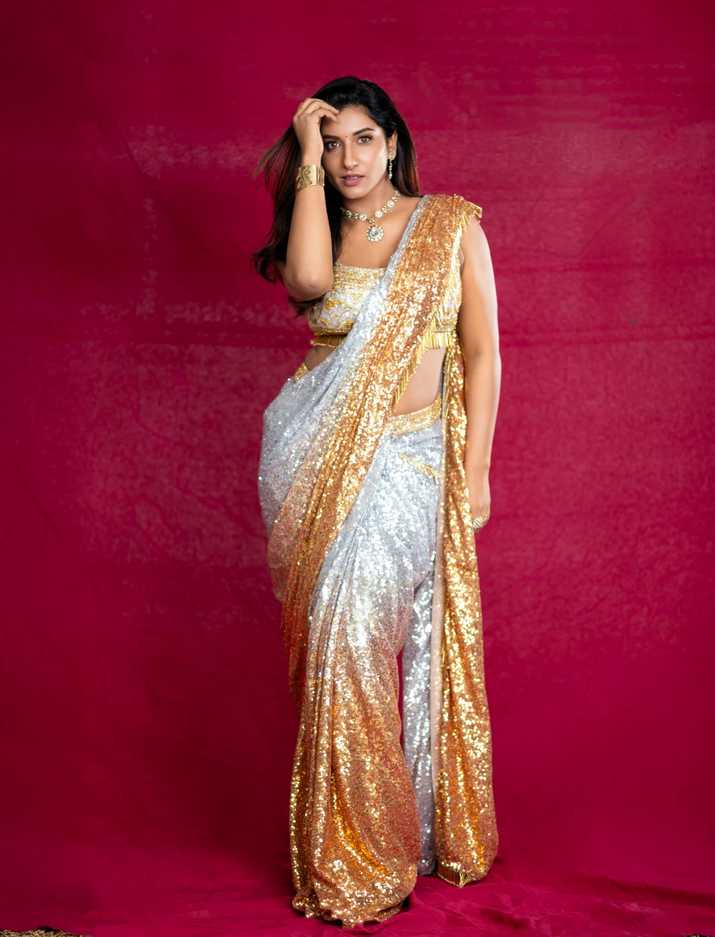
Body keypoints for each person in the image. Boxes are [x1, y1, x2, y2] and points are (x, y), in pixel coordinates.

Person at [253, 75, 502, 929]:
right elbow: (308, 279)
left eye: (363, 139)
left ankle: (378, 839)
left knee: (358, 629)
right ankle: (355, 849)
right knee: (335, 640)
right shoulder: (317, 220)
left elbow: (483, 352)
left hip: (412, 460)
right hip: (316, 456)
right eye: (331, 143)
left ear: (393, 142)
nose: (348, 158)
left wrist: (476, 469)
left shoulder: (450, 226)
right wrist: (306, 165)